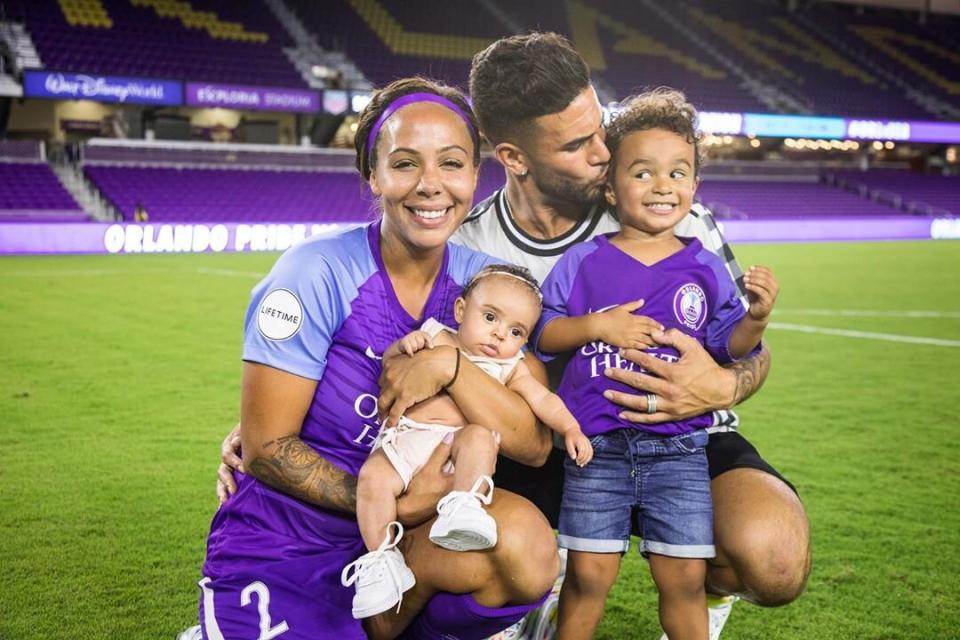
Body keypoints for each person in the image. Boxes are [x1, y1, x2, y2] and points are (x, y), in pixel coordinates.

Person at [214, 31, 810, 640]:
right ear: (514, 158)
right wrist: (269, 429)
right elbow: (412, 360)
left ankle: (698, 597)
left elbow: (749, 347)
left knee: (774, 556)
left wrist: (720, 387)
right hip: (557, 440)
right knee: (495, 507)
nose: (604, 153)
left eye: (599, 128)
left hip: (678, 433)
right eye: (578, 145)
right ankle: (523, 596)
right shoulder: (464, 245)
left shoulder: (667, 206)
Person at [197, 77, 559, 640]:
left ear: (473, 177)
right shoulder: (313, 273)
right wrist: (400, 500)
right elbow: (266, 448)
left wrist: (453, 367)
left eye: (452, 164)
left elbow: (533, 443)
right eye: (405, 163)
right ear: (372, 174)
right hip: (290, 536)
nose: (431, 185)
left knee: (528, 545)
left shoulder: (485, 287)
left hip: (409, 543)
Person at [533, 88, 779, 640]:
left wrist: (756, 322)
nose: (663, 186)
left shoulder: (706, 266)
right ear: (611, 187)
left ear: (694, 186)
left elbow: (726, 347)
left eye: (678, 173)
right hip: (595, 450)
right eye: (643, 173)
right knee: (588, 578)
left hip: (681, 452)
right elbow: (545, 333)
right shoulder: (584, 261)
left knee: (685, 579)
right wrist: (597, 326)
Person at [348, 264, 589, 619]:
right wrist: (403, 347)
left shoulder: (512, 367)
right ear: (461, 310)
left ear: (524, 340)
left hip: (455, 449)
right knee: (372, 479)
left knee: (479, 437)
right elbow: (391, 367)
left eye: (515, 331)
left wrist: (570, 429)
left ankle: (465, 507)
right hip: (406, 442)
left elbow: (543, 401)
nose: (498, 335)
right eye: (490, 317)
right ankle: (382, 562)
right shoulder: (435, 336)